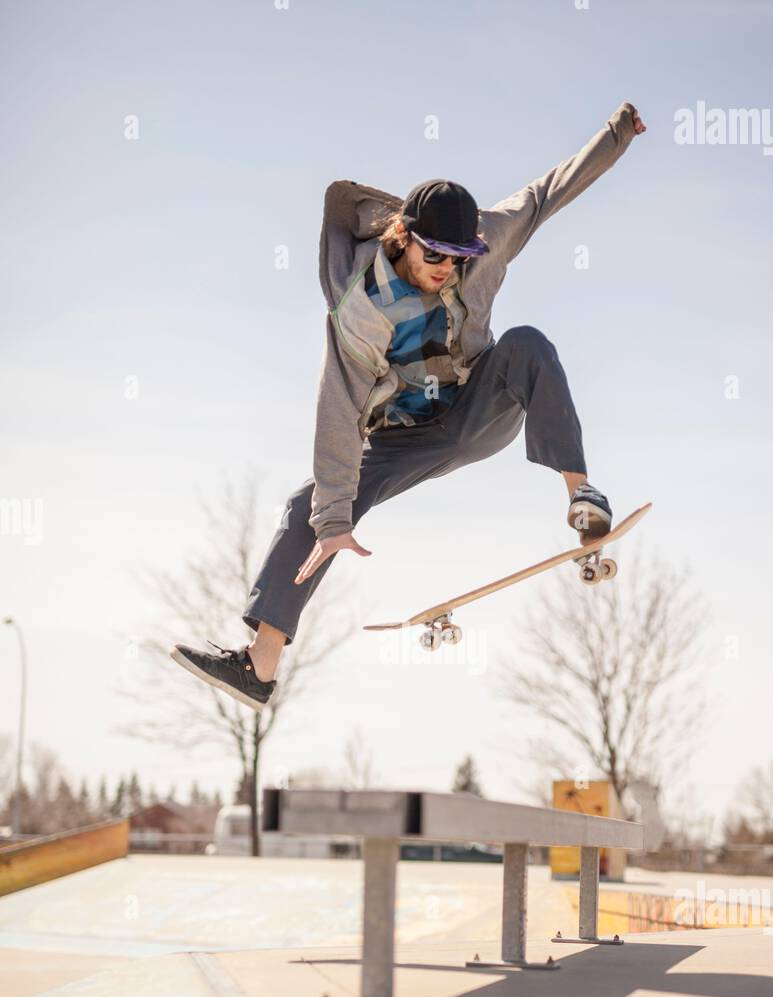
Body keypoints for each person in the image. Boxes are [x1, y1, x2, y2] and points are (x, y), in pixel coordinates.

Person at [171, 100, 646, 711]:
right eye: (434, 257)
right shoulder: (360, 306)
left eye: (459, 260)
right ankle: (258, 670)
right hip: (401, 436)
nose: (447, 271)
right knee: (307, 507)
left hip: (477, 408)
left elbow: (546, 192)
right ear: (404, 237)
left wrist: (616, 136)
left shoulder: (486, 238)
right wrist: (335, 521)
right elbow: (338, 406)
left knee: (528, 344)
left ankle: (582, 496)